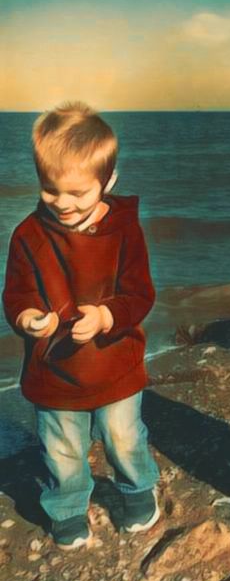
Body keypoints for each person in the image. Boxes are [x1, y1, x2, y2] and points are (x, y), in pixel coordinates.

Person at [2, 102, 160, 550]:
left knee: (123, 435)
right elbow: (16, 293)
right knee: (61, 447)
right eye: (50, 190)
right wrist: (28, 317)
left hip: (115, 360)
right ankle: (68, 508)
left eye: (77, 192)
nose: (62, 203)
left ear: (107, 182)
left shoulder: (124, 230)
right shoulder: (28, 235)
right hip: (54, 369)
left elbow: (140, 294)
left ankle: (137, 489)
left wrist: (106, 316)